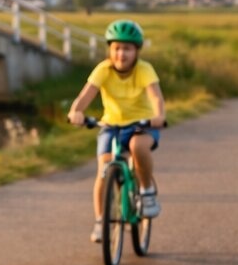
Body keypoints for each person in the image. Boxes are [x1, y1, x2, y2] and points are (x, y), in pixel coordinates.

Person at [67, 19, 167, 242]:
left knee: (137, 146)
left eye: (127, 49)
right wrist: (76, 111)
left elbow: (155, 96)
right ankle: (101, 220)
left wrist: (159, 116)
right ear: (110, 50)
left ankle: (147, 191)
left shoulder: (144, 70)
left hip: (141, 125)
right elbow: (85, 95)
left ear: (137, 51)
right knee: (104, 169)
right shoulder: (103, 69)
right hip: (111, 125)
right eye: (117, 48)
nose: (122, 54)